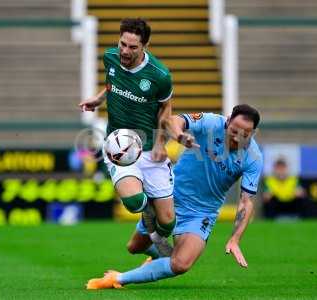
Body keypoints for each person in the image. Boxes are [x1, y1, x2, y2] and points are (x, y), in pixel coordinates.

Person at [86, 104, 264, 289]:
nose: (237, 137)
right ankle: (159, 259)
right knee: (134, 247)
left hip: (201, 212)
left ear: (254, 132)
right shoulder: (211, 123)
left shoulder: (253, 157)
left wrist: (235, 239)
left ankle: (118, 278)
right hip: (169, 197)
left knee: (181, 264)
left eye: (246, 134)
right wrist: (180, 135)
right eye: (234, 130)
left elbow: (246, 201)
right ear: (227, 121)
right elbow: (175, 120)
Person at [79, 18, 175, 252]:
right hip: (119, 146)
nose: (125, 51)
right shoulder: (110, 58)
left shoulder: (159, 75)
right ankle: (150, 223)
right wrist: (99, 99)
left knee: (168, 223)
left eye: (132, 47)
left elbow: (166, 109)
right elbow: (112, 84)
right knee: (134, 203)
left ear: (145, 46)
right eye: (122, 44)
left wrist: (162, 143)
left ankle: (151, 241)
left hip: (151, 147)